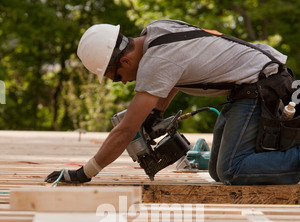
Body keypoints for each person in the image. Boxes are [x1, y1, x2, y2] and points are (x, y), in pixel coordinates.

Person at [45, 19, 300, 186]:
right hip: (248, 86)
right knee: (217, 172)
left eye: (117, 78)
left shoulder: (157, 62)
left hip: (261, 87)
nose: (122, 83)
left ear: (124, 61)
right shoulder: (155, 31)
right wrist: (156, 113)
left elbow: (125, 130)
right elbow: (175, 78)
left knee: (233, 169)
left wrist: (84, 173)